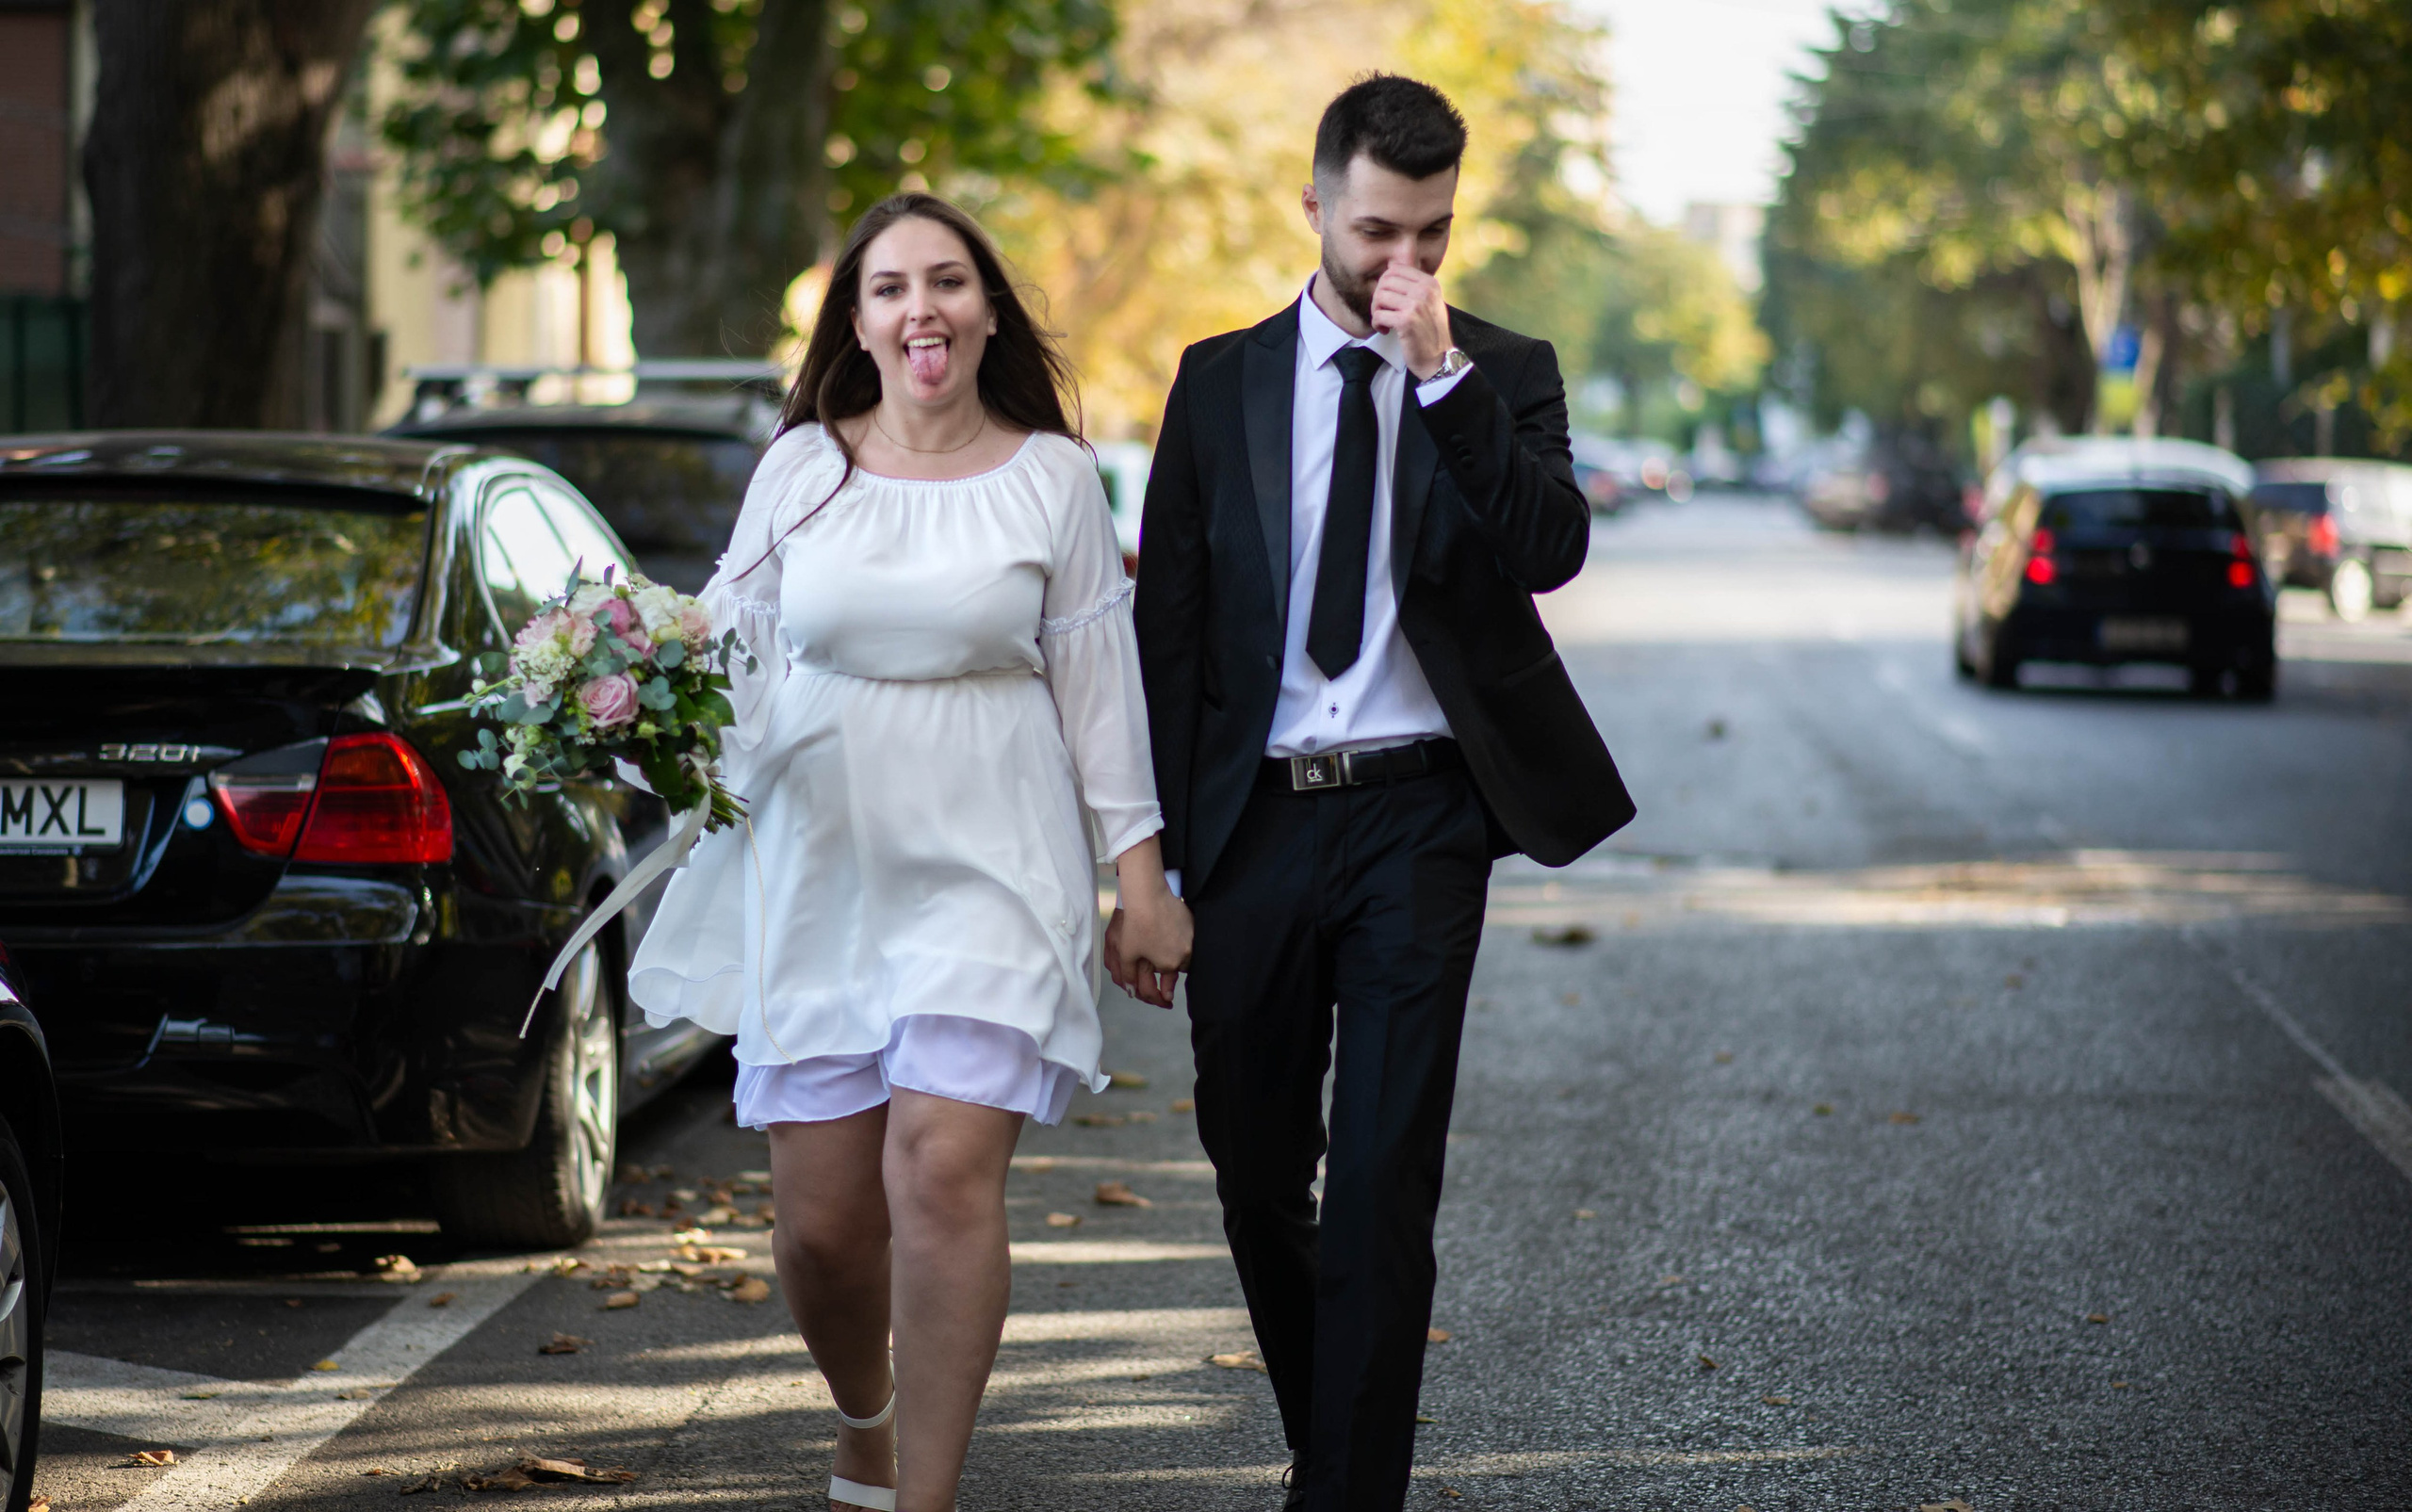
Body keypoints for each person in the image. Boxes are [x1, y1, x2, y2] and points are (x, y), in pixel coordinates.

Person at [625, 191, 1194, 1512]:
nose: (920, 307)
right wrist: (622, 683)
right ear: (860, 322)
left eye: (947, 281)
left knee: (938, 1163)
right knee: (822, 1230)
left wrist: (1142, 881)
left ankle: (924, 1497)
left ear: (989, 311)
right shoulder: (803, 469)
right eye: (890, 287)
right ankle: (864, 1417)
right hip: (821, 862)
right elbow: (727, 643)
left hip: (996, 851)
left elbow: (1098, 682)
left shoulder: (1053, 475)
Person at [1123, 75, 1636, 1510]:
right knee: (1256, 1171)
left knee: (1382, 1188)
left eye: (1430, 232)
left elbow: (1549, 553)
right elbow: (1165, 636)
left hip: (1420, 823)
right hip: (1255, 827)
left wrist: (1444, 386)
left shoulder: (1503, 371)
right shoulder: (1217, 381)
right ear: (1313, 208)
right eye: (1374, 231)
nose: (1402, 263)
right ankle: (1329, 1432)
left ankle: (1348, 1492)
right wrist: (1147, 867)